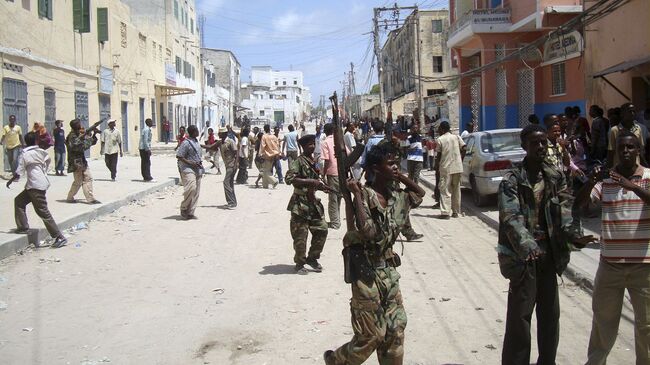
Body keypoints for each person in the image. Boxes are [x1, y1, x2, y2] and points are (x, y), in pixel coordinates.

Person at [498, 124, 594, 365]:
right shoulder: (512, 179)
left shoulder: (556, 176)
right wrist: (529, 246)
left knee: (550, 318)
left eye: (543, 143)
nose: (540, 147)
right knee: (520, 320)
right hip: (523, 259)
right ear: (524, 147)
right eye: (534, 143)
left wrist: (574, 236)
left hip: (549, 256)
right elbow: (510, 218)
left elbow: (566, 211)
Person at [323, 140, 425, 365]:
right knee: (371, 336)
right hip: (366, 272)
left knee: (395, 330)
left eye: (397, 163)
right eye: (391, 164)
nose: (396, 167)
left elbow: (419, 194)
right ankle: (336, 361)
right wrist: (356, 195)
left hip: (388, 271)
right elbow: (367, 231)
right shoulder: (366, 195)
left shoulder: (398, 196)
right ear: (376, 169)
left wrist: (401, 177)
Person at [573, 131, 650, 364]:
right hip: (610, 267)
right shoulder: (606, 181)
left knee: (646, 326)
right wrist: (590, 182)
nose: (625, 151)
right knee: (603, 323)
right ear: (616, 151)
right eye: (622, 148)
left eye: (630, 147)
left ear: (638, 151)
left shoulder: (648, 177)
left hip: (644, 267)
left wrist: (633, 187)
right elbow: (581, 207)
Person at [6, 131, 67, 248]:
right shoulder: (41, 151)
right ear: (35, 141)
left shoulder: (25, 154)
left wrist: (10, 180)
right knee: (19, 201)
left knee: (42, 211)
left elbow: (19, 172)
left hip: (35, 185)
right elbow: (48, 160)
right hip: (37, 184)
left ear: (25, 142)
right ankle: (23, 227)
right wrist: (43, 170)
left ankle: (59, 236)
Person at [285, 134, 332, 274]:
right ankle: (299, 263)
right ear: (303, 147)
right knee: (300, 237)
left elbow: (314, 180)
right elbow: (289, 178)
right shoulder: (299, 161)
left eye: (313, 144)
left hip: (312, 203)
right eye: (309, 145)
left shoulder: (313, 161)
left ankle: (312, 258)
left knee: (322, 229)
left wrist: (321, 186)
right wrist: (311, 182)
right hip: (300, 204)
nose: (312, 147)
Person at [435, 121, 466, 219]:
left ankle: (445, 213)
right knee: (456, 190)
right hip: (457, 167)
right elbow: (464, 147)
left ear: (443, 129)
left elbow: (438, 156)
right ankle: (455, 212)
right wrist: (461, 159)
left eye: (439, 129)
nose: (439, 131)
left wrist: (436, 167)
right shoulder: (456, 137)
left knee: (445, 190)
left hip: (446, 168)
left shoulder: (440, 139)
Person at [607, 102, 648, 169]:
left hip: (635, 168)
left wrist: (645, 166)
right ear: (622, 114)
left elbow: (640, 151)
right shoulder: (614, 130)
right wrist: (608, 169)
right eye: (630, 111)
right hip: (619, 168)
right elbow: (611, 152)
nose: (632, 114)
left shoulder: (638, 129)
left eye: (634, 111)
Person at [176, 125, 203, 219]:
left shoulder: (196, 141)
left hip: (197, 169)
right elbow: (179, 156)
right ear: (193, 132)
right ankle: (184, 207)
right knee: (191, 188)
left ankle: (190, 211)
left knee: (196, 192)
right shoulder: (186, 143)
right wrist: (190, 162)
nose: (198, 131)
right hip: (188, 168)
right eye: (196, 130)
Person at [320, 123, 341, 230]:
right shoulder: (339, 140)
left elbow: (327, 160)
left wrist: (322, 174)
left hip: (332, 173)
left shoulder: (325, 142)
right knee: (339, 197)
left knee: (333, 199)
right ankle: (337, 220)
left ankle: (335, 223)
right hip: (342, 172)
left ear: (325, 131)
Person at [360, 119, 386, 184]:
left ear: (374, 129)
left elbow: (363, 161)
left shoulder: (370, 142)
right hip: (386, 174)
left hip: (372, 175)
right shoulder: (387, 141)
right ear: (383, 129)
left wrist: (366, 168)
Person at [259, 124, 280, 189]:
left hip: (267, 155)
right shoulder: (274, 136)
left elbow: (262, 146)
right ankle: (265, 185)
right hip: (274, 154)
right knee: (267, 169)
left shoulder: (264, 137)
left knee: (266, 170)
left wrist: (260, 154)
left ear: (265, 129)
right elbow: (277, 145)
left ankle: (274, 181)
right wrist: (277, 154)